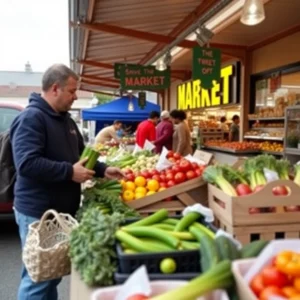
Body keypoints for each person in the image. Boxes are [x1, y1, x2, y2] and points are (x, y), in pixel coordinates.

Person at [10, 64, 124, 300]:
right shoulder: (31, 118)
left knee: (51, 275)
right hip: (39, 212)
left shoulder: (67, 121)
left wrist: (103, 169)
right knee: (38, 279)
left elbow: (80, 158)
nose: (75, 97)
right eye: (72, 92)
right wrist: (68, 173)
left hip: (60, 212)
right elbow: (27, 164)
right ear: (55, 88)